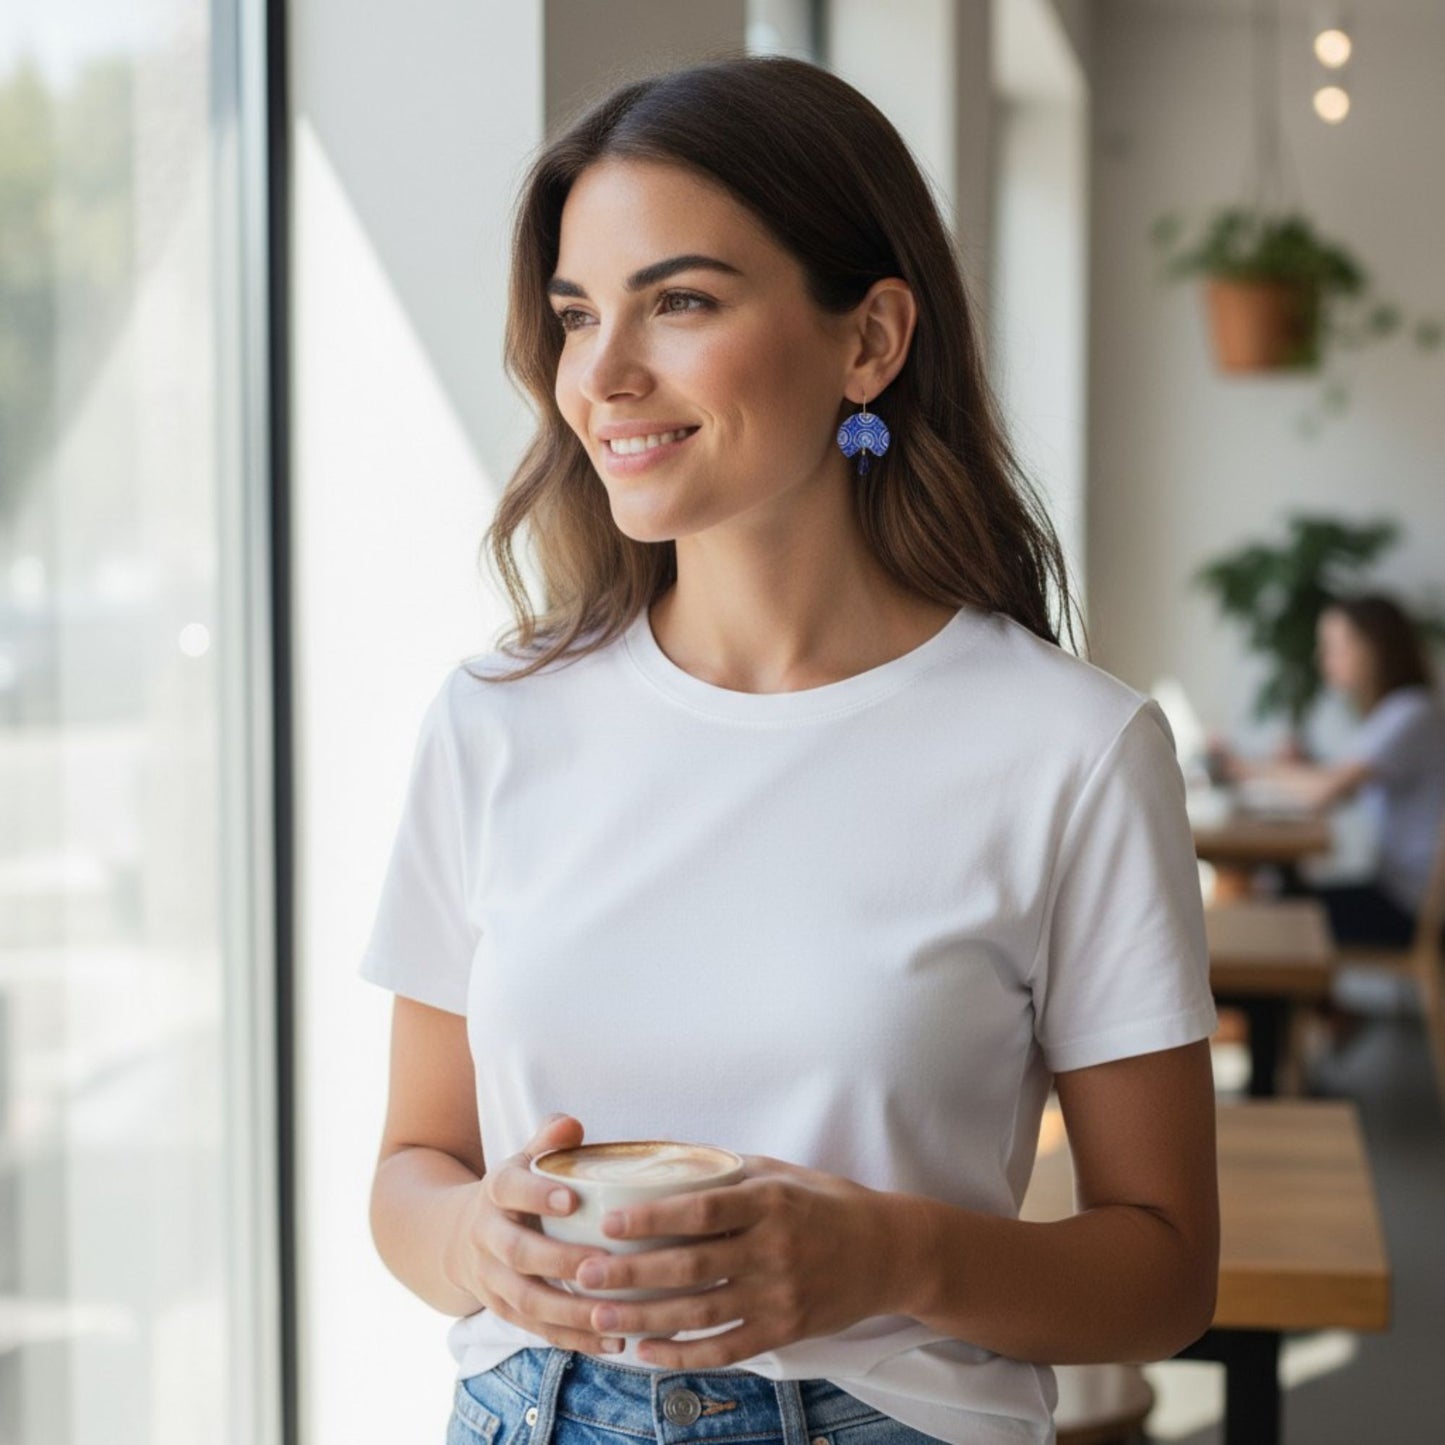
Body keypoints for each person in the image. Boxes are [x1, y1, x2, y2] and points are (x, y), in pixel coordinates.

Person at [360, 55, 1219, 1445]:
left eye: (679, 301)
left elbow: (1165, 1272)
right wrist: (478, 1243)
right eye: (578, 317)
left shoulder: (1069, 748)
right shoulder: (494, 719)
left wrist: (886, 1257)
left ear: (870, 340)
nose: (605, 375)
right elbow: (414, 1167)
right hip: (528, 1411)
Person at [1216, 593, 1445, 947]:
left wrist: (1247, 768)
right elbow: (1342, 784)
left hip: (1406, 909)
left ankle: (1283, 998)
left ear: (1373, 649)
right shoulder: (1397, 712)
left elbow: (1326, 791)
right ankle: (1300, 1000)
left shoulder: (1408, 712)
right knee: (1276, 897)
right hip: (1397, 894)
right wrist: (1295, 768)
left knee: (1272, 917)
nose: (1323, 658)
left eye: (1335, 646)